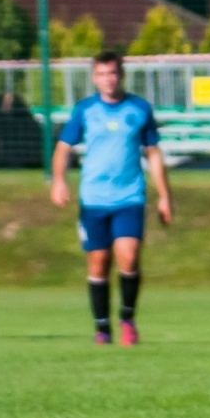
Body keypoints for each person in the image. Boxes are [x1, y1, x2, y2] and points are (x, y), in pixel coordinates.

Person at [50, 51, 173, 345]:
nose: (108, 79)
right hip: (93, 199)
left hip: (129, 196)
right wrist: (58, 182)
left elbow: (153, 153)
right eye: (102, 74)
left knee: (129, 257)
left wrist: (165, 196)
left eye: (113, 73)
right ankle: (102, 328)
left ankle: (128, 319)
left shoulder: (139, 109)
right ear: (94, 77)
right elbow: (63, 147)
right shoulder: (85, 110)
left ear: (122, 75)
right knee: (98, 263)